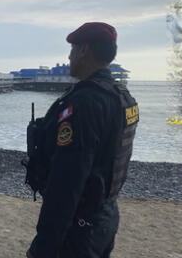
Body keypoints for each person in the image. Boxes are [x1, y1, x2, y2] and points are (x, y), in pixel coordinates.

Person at [26, 22, 139, 258]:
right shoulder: (124, 98)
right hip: (105, 214)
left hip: (79, 226)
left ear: (83, 50)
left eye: (72, 49)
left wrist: (45, 244)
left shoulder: (85, 103)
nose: (69, 56)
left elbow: (67, 181)